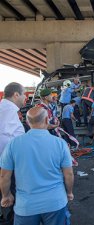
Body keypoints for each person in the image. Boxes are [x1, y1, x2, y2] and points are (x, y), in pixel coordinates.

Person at [0, 107, 74, 225]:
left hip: (26, 206)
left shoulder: (13, 144)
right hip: (55, 202)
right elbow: (68, 173)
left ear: (28, 122)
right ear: (46, 120)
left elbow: (4, 175)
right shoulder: (60, 143)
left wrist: (6, 195)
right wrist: (69, 192)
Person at [0, 82, 26, 224]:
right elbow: (3, 139)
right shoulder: (8, 111)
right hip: (9, 166)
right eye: (23, 95)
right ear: (16, 94)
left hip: (7, 165)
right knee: (10, 200)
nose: (25, 98)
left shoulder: (5, 108)